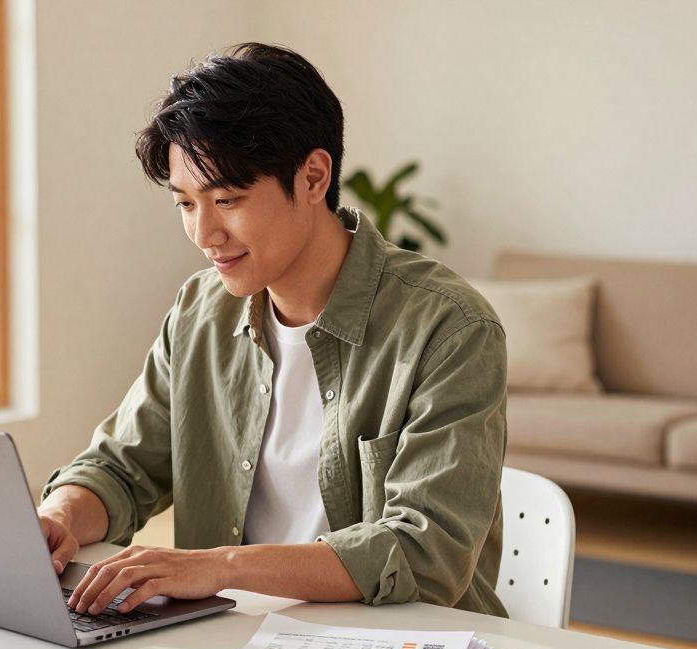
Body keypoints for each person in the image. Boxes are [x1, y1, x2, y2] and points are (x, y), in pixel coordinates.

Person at [38, 42, 508, 619]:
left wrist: (220, 566)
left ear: (313, 177)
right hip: (229, 644)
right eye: (186, 204)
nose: (204, 233)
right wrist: (60, 516)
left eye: (228, 199)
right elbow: (121, 468)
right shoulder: (200, 312)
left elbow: (422, 551)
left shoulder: (448, 328)